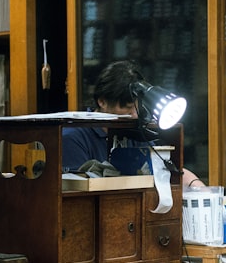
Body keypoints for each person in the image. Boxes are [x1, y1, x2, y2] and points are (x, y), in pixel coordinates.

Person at [62, 60, 205, 188]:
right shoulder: (74, 137)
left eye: (137, 107)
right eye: (127, 107)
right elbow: (76, 191)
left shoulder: (134, 132)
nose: (134, 114)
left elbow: (165, 168)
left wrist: (198, 187)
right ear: (102, 101)